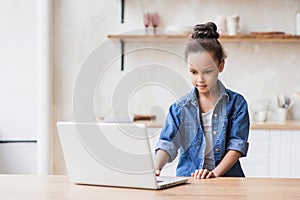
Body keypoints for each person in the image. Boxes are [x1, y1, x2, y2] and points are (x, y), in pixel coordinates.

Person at [155, 22, 249, 179]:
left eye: (207, 71)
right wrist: (156, 167)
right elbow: (167, 144)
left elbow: (236, 147)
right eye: (193, 72)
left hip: (226, 180)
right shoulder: (179, 108)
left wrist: (214, 174)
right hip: (189, 180)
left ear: (221, 66)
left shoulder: (237, 104)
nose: (200, 79)